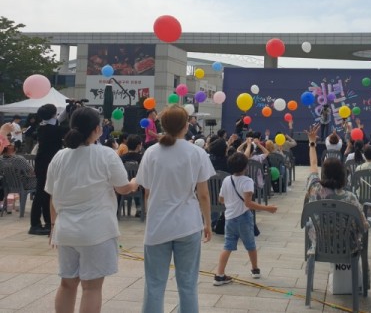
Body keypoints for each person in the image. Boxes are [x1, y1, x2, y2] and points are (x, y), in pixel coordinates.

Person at [45, 107, 139, 313]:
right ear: (97, 129)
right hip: (97, 231)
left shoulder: (59, 157)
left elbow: (52, 196)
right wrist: (134, 183)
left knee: (67, 284)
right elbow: (122, 187)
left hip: (65, 230)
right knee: (91, 288)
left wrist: (53, 227)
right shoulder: (106, 154)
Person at [135, 105, 214, 313]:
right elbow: (204, 194)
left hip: (158, 225)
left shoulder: (151, 152)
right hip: (188, 224)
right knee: (188, 285)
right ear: (186, 125)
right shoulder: (197, 153)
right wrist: (207, 222)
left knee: (154, 284)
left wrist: (149, 216)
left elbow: (147, 193)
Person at [213, 152, 277, 285]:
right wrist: (267, 208)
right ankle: (255, 269)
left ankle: (219, 275)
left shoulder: (226, 180)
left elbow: (221, 199)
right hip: (243, 218)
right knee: (250, 244)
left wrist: (231, 203)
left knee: (227, 246)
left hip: (229, 218)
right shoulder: (247, 181)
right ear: (245, 167)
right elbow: (248, 203)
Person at [304, 124, 368, 252]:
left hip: (319, 242)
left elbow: (313, 164)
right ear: (342, 175)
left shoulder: (314, 189)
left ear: (324, 173)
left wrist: (312, 143)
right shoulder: (350, 197)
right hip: (347, 246)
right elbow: (363, 225)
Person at [30, 104, 67, 236]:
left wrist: (68, 109)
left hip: (43, 163)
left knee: (46, 193)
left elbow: (57, 121)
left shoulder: (43, 126)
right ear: (53, 114)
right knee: (41, 194)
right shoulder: (53, 130)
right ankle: (34, 224)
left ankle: (46, 222)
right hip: (46, 164)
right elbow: (65, 128)